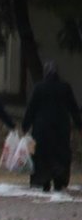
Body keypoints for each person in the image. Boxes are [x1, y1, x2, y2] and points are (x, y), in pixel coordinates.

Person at [21, 61, 82, 192]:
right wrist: (79, 125)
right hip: (61, 128)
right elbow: (73, 108)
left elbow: (31, 108)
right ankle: (59, 181)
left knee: (43, 155)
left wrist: (25, 125)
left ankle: (44, 181)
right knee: (60, 155)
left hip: (41, 129)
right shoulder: (65, 87)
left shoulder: (39, 88)